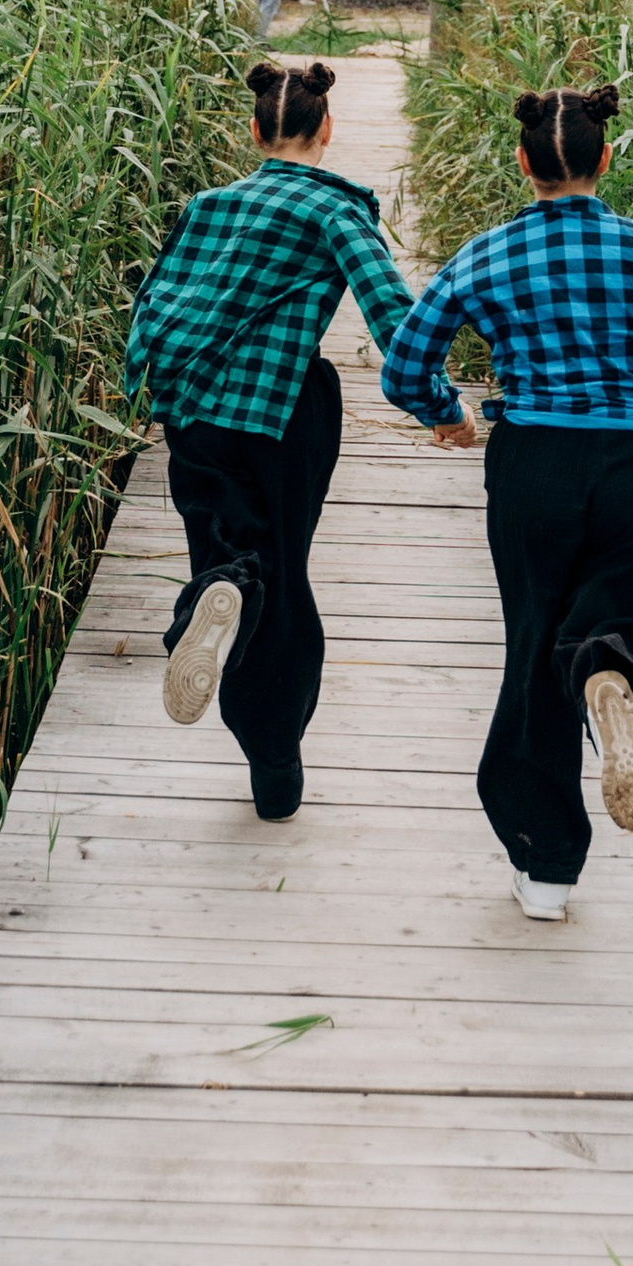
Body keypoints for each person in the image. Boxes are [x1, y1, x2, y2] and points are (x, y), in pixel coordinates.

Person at [382, 83, 633, 921]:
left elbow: (404, 365)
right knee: (616, 614)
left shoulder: (488, 254)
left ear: (523, 162)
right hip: (627, 458)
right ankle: (610, 675)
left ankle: (545, 870)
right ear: (604, 158)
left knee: (535, 640)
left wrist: (451, 415)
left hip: (531, 460)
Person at [125, 59, 415, 821]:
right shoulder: (335, 211)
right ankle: (275, 767)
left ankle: (216, 597)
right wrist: (437, 404)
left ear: (254, 132)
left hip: (192, 411)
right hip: (284, 411)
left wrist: (144, 388)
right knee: (283, 578)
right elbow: (392, 312)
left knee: (222, 550)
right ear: (327, 129)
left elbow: (155, 297)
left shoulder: (208, 204)